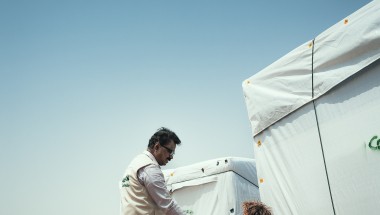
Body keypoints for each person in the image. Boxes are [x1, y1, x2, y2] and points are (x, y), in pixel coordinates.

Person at [120, 127, 184, 215]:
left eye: (173, 153)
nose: (171, 157)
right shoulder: (150, 168)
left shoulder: (134, 165)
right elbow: (168, 206)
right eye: (170, 151)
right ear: (157, 146)